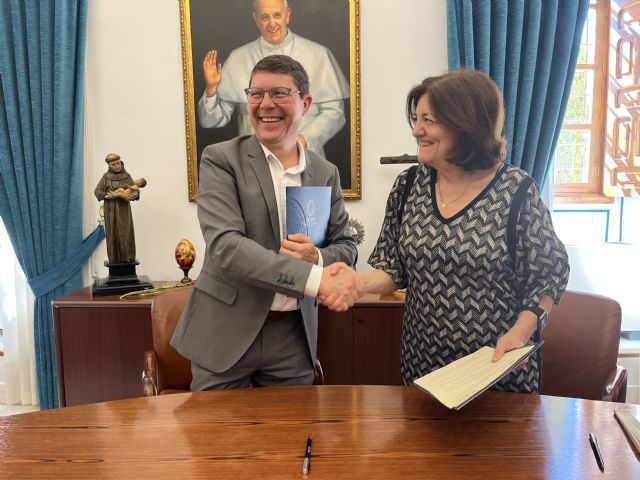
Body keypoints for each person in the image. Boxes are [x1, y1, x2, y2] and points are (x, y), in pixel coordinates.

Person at [325, 69, 570, 394]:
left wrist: (520, 334)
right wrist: (356, 282)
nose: (416, 130)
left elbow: (548, 277)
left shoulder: (516, 191)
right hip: (423, 371)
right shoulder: (408, 185)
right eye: (416, 118)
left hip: (496, 373)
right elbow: (393, 270)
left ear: (464, 123)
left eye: (429, 119)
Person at [171, 54, 361, 390]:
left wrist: (317, 258)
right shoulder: (221, 159)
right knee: (215, 438)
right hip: (224, 331)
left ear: (305, 102)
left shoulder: (324, 172)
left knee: (289, 437)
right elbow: (227, 249)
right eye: (255, 94)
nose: (264, 104)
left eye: (279, 93)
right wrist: (315, 280)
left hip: (292, 336)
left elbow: (345, 245)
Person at [197, 0, 350, 157]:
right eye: (264, 17)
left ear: (287, 15)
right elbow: (212, 121)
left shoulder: (318, 54)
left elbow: (335, 113)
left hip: (306, 157)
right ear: (256, 19)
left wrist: (302, 141)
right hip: (253, 160)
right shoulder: (238, 58)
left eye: (277, 15)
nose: (272, 24)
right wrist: (211, 90)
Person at [94, 153, 142, 264]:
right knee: (112, 232)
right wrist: (107, 196)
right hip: (110, 209)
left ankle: (128, 257)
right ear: (109, 166)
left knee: (125, 232)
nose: (117, 166)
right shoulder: (106, 177)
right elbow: (97, 191)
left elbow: (135, 190)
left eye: (118, 163)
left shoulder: (127, 176)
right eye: (114, 164)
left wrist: (134, 195)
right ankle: (114, 259)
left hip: (124, 210)